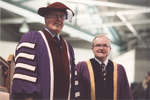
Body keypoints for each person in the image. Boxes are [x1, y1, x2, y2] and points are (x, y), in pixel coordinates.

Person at [11, 2, 76, 100]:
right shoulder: (31, 39)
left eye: (62, 17)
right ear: (46, 18)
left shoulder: (68, 47)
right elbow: (24, 79)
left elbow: (72, 81)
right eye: (54, 16)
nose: (58, 19)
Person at [75, 34, 133, 100]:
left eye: (105, 45)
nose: (101, 48)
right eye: (98, 45)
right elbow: (75, 92)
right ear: (92, 49)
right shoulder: (82, 67)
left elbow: (126, 95)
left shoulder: (119, 69)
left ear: (110, 49)